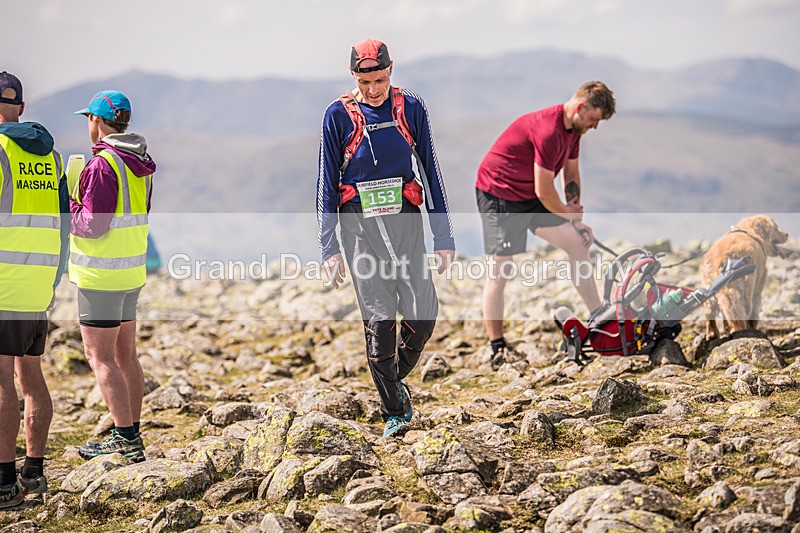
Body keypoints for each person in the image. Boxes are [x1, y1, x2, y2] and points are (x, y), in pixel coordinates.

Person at [316, 39, 455, 438]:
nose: (372, 89)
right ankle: (395, 411)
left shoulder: (411, 107)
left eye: (378, 79)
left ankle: (392, 379)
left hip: (406, 221)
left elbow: (430, 169)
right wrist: (329, 248)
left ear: (391, 71)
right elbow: (326, 181)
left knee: (423, 317)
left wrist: (443, 235)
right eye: (364, 80)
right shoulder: (337, 116)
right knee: (379, 322)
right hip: (359, 228)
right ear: (353, 77)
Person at [475, 81, 616, 369]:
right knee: (501, 269)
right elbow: (544, 189)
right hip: (499, 193)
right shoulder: (549, 130)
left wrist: (575, 219)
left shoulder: (574, 130)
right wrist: (566, 215)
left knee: (577, 242)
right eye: (593, 120)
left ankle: (599, 316)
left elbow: (571, 173)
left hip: (528, 194)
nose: (594, 127)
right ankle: (497, 347)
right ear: (580, 107)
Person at [69, 90, 156, 461]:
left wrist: (68, 204)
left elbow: (93, 225)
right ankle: (131, 429)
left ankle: (125, 437)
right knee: (127, 355)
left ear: (98, 122)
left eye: (89, 118)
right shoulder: (139, 163)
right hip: (130, 271)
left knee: (99, 356)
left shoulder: (104, 164)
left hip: (100, 275)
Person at [0, 71, 69, 508]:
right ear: (21, 108)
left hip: (3, 282)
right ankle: (34, 472)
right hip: (38, 281)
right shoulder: (54, 158)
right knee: (32, 376)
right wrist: (54, 278)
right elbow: (62, 224)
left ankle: (5, 483)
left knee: (2, 382)